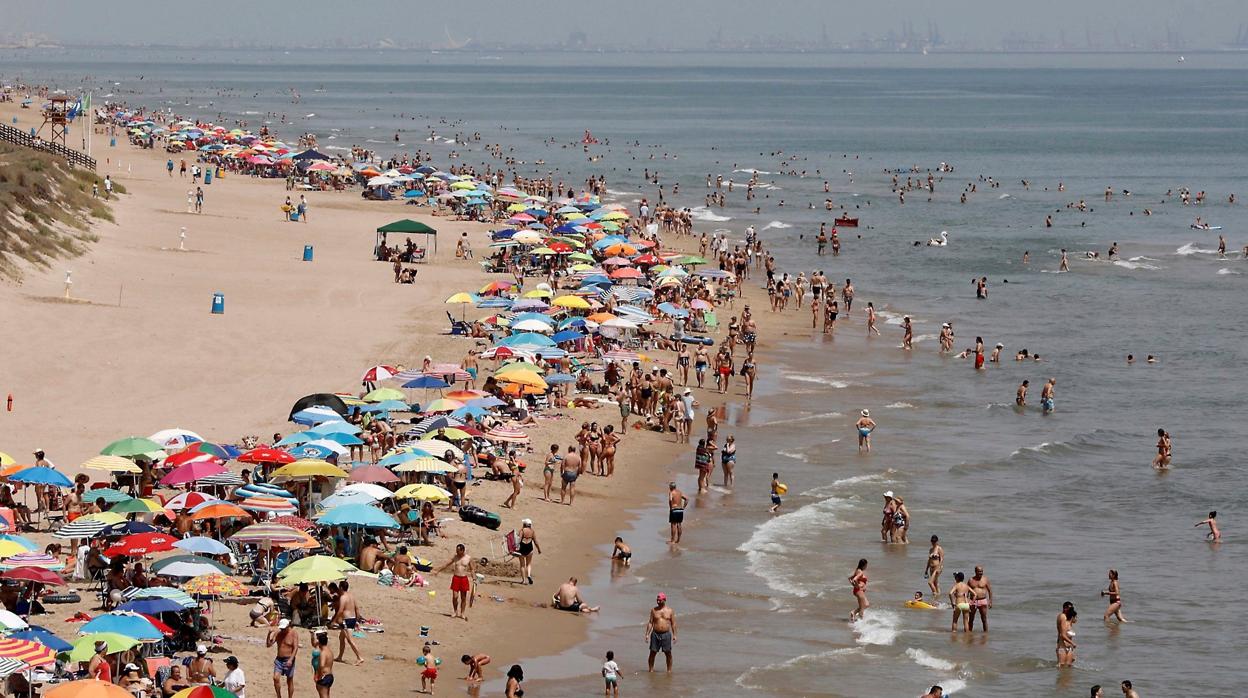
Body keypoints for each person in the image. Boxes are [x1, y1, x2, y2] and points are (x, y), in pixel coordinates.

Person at [436, 543, 475, 620]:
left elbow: (472, 569)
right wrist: (438, 570)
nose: (456, 552)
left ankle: (462, 613)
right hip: (456, 578)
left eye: (458, 551)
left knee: (463, 598)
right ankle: (455, 611)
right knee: (455, 596)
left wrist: (474, 577)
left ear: (462, 550)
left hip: (464, 579)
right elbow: (447, 564)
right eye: (456, 551)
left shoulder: (468, 558)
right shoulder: (455, 557)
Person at [331, 580, 363, 665]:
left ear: (341, 587)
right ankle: (340, 656)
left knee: (349, 639)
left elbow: (340, 610)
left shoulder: (343, 597)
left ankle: (359, 657)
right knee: (341, 638)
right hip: (352, 619)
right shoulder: (352, 596)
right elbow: (357, 608)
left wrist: (334, 621)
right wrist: (357, 619)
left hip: (346, 620)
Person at [267, 618, 299, 698]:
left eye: (284, 629)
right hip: (279, 659)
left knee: (289, 680)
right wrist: (268, 634)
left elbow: (295, 647)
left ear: (288, 626)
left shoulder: (293, 633)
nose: (283, 630)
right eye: (282, 628)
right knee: (275, 678)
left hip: (288, 659)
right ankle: (279, 696)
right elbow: (269, 644)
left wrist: (291, 660)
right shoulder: (278, 633)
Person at [645, 593, 676, 673]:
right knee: (652, 652)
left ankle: (669, 671)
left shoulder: (670, 611)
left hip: (666, 634)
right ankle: (650, 670)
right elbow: (650, 622)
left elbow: (673, 623)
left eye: (660, 600)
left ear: (664, 600)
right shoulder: (654, 610)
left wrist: (674, 635)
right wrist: (647, 634)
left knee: (668, 653)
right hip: (655, 634)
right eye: (657, 599)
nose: (658, 601)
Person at [967, 565, 993, 631]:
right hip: (973, 601)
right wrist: (967, 600)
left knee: (984, 619)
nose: (980, 573)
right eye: (979, 571)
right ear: (975, 571)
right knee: (971, 619)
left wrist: (990, 601)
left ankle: (985, 634)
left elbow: (990, 591)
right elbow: (966, 591)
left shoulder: (985, 579)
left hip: (983, 600)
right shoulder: (971, 580)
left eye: (981, 571)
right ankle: (969, 634)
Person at [516, 518, 540, 585]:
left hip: (522, 548)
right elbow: (536, 542)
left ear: (524, 524)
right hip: (529, 548)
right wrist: (539, 549)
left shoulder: (522, 531)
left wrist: (515, 547)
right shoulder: (532, 531)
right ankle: (529, 575)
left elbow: (519, 540)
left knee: (522, 565)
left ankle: (524, 580)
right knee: (529, 564)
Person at [311, 631, 334, 698]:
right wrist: (312, 636)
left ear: (319, 642)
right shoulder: (329, 651)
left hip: (323, 676)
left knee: (323, 696)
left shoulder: (323, 653)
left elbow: (321, 665)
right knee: (327, 695)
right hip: (329, 676)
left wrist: (317, 675)